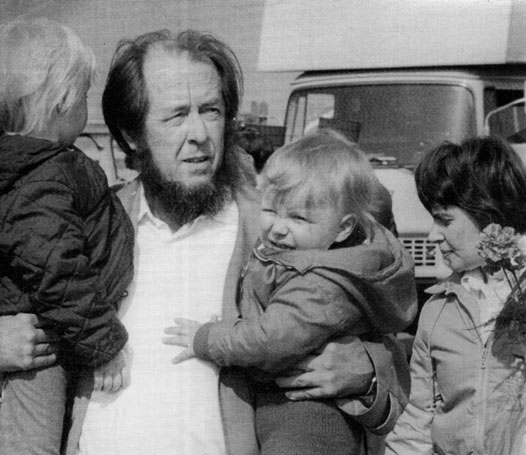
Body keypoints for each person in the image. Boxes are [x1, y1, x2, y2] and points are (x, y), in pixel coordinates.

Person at [67, 29, 410, 455]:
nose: (199, 133)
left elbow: (372, 320)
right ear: (132, 134)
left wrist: (367, 373)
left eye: (210, 110)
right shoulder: (92, 224)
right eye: (177, 116)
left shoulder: (277, 227)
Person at [163, 130, 417, 455]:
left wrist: (207, 338)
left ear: (342, 228)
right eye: (270, 210)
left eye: (298, 217)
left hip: (306, 420)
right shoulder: (301, 257)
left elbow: (272, 339)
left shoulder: (319, 282)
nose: (278, 227)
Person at [385, 136, 526, 455]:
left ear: (489, 213)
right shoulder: (439, 307)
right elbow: (418, 421)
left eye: (445, 220)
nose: (432, 235)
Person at [0, 18, 132, 454]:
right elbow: (58, 269)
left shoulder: (46, 167)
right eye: (85, 96)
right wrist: (104, 344)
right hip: (40, 342)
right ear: (63, 102)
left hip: (60, 331)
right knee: (33, 443)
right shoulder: (41, 179)